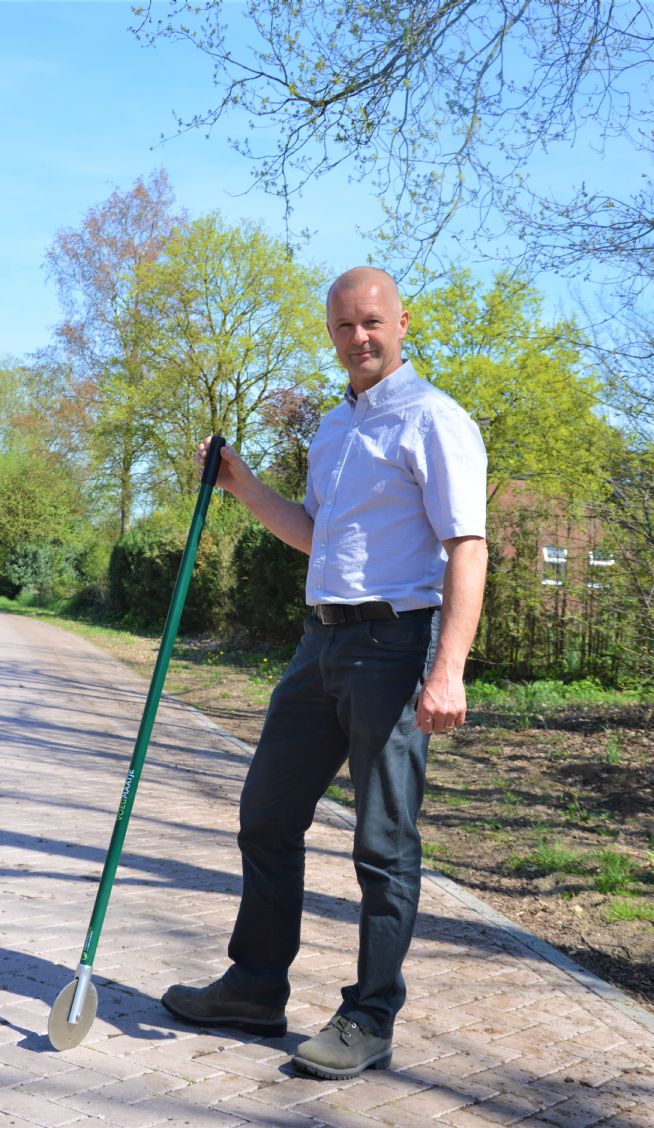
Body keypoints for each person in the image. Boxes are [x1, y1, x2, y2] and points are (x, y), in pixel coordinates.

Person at [162, 266, 488, 1080]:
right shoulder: (336, 431)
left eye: (372, 322)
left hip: (397, 646)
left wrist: (447, 668)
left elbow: (467, 547)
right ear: (331, 331)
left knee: (383, 843)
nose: (359, 338)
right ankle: (255, 985)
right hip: (320, 646)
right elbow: (318, 536)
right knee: (266, 814)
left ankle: (370, 1015)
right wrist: (241, 486)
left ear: (403, 322)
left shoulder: (434, 421)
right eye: (344, 326)